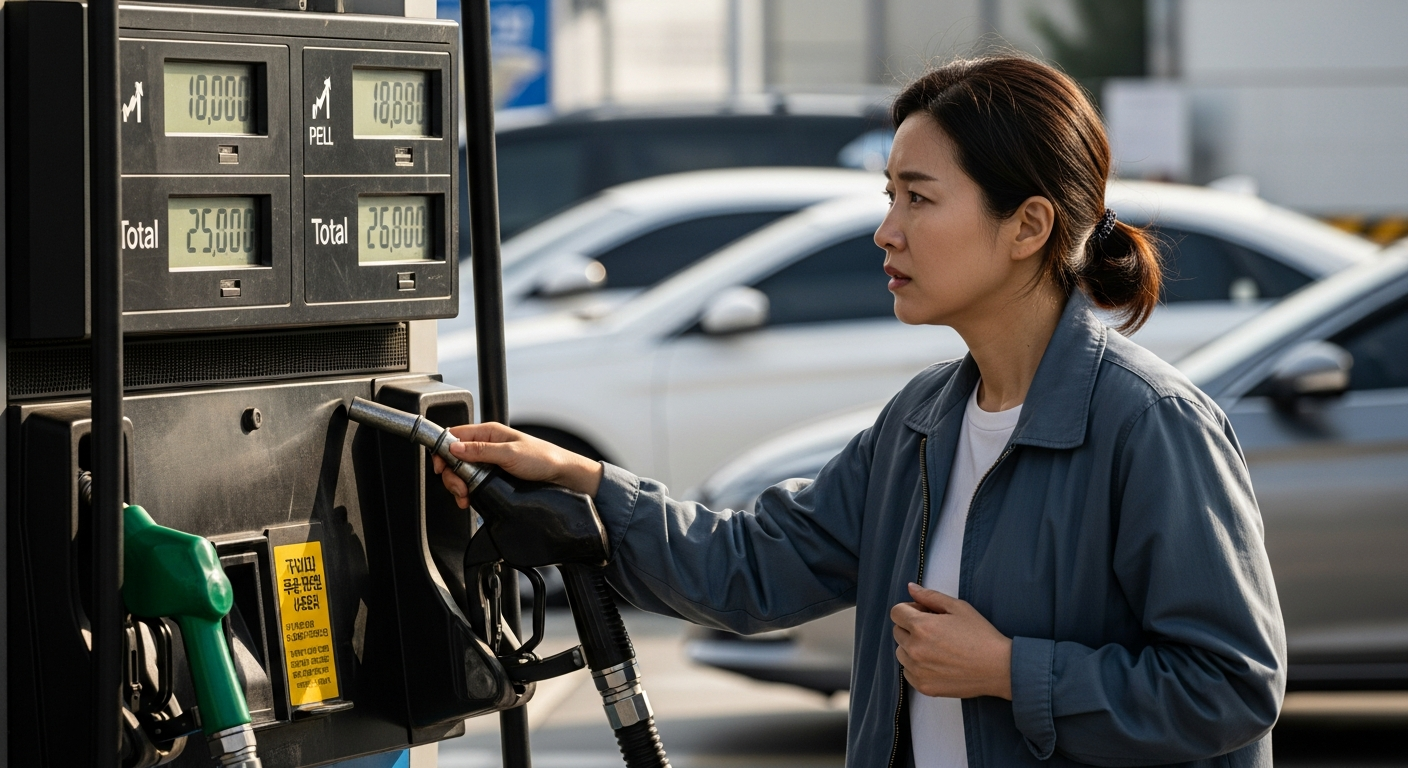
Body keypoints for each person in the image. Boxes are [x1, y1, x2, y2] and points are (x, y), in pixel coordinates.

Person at [433, 56, 1286, 767]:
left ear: (1028, 226)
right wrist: (584, 483)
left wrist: (1008, 670)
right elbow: (750, 568)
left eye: (919, 197)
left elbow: (1232, 688)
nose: (887, 231)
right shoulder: (923, 422)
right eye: (889, 196)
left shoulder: (1152, 425)